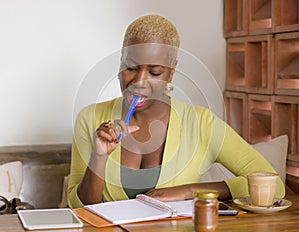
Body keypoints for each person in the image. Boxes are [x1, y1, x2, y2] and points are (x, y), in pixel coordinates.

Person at [67, 14, 285, 208]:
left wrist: (187, 192)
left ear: (171, 73)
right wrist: (99, 157)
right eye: (131, 68)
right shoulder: (90, 118)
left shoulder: (201, 123)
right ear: (120, 63)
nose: (139, 81)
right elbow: (79, 206)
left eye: (154, 72)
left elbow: (274, 185)